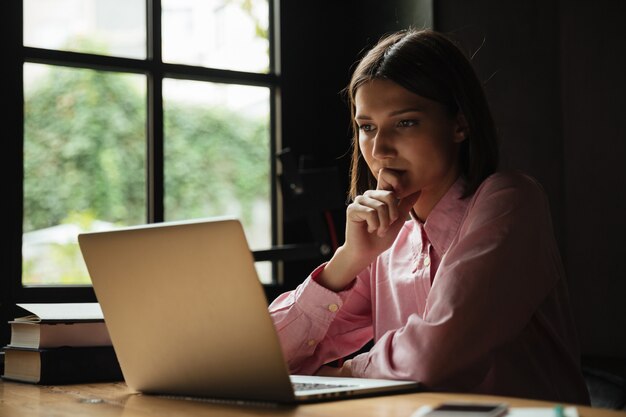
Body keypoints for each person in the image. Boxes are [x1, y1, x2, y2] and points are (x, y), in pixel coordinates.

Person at [269, 28, 590, 404]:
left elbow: (433, 357)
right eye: (367, 127)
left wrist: (344, 374)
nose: (381, 148)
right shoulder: (388, 238)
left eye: (405, 122)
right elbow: (269, 357)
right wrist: (349, 260)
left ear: (460, 123)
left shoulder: (509, 201)